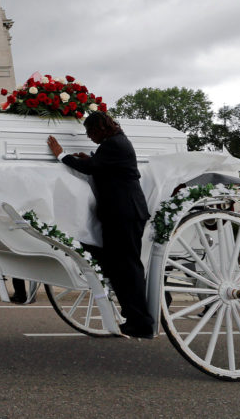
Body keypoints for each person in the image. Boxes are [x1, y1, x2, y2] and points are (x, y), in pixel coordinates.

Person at [46, 112, 155, 339]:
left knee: (127, 268)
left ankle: (140, 322)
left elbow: (90, 168)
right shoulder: (116, 142)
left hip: (124, 213)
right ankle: (135, 317)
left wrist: (61, 155)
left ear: (99, 129)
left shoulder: (114, 144)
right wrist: (90, 159)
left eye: (90, 132)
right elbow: (101, 166)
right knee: (122, 267)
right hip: (124, 212)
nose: (89, 136)